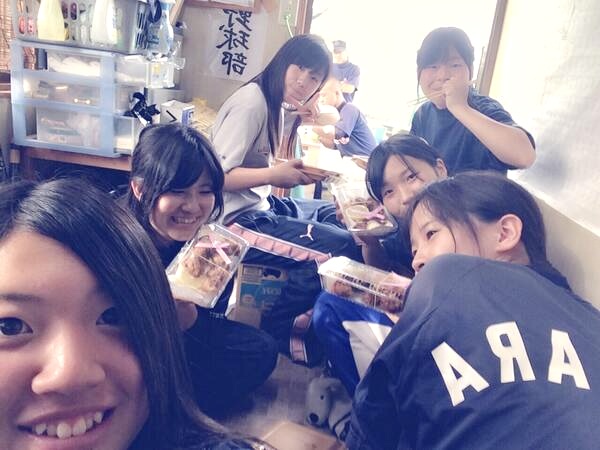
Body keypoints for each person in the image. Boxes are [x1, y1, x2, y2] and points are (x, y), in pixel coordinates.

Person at [0, 178, 272, 450]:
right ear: (140, 189)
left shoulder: (212, 246)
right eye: (9, 326)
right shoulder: (115, 238)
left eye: (113, 316)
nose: (70, 374)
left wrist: (187, 320)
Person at [347, 172, 600, 450]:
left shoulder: (445, 273)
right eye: (414, 251)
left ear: (505, 233)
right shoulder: (590, 319)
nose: (417, 262)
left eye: (431, 234)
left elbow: (373, 424)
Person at [211, 34, 361, 365]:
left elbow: (259, 163)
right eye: (299, 68)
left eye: (314, 77)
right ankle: (280, 328)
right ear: (282, 62)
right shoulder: (251, 104)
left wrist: (290, 170)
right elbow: (217, 177)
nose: (303, 81)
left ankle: (295, 316)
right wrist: (274, 175)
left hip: (259, 203)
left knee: (335, 215)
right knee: (340, 248)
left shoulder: (273, 101)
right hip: (233, 220)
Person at [123, 123, 278, 416]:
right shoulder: (122, 248)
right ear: (140, 189)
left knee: (262, 347)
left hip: (184, 330)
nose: (193, 207)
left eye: (205, 191)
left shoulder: (194, 240)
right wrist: (173, 324)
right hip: (136, 356)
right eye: (177, 191)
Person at [312, 134, 448, 396]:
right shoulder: (403, 230)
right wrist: (369, 240)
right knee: (334, 291)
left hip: (451, 332)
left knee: (329, 307)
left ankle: (371, 409)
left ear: (440, 169)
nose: (405, 197)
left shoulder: (465, 217)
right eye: (389, 192)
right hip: (422, 317)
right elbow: (384, 272)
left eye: (411, 177)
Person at [410, 27, 536, 174]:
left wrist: (460, 107)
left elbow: (525, 157)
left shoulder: (482, 108)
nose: (443, 76)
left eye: (455, 65)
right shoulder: (422, 115)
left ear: (470, 71)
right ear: (418, 72)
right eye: (433, 66)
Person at [313, 77, 377, 158]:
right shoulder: (336, 115)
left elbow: (338, 134)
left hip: (367, 160)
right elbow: (334, 145)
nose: (321, 100)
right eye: (319, 97)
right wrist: (320, 137)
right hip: (355, 159)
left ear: (337, 93)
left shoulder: (349, 109)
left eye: (323, 95)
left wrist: (311, 125)